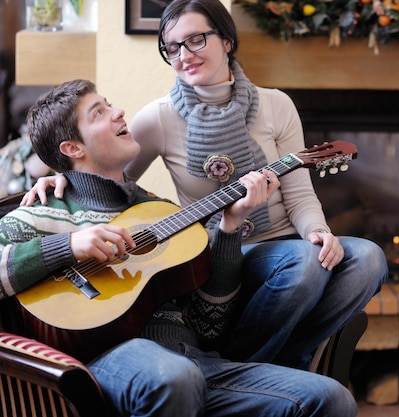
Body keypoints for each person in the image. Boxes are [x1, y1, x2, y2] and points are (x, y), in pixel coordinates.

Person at [23, 0, 388, 372]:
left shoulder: (277, 105)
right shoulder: (159, 117)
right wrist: (64, 176)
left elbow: (299, 195)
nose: (185, 55)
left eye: (196, 40)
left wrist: (318, 231)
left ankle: (270, 362)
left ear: (227, 40)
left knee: (368, 259)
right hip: (219, 253)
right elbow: (108, 177)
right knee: (306, 264)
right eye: (173, 48)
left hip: (288, 242)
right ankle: (252, 368)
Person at [4, 79, 358, 417]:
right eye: (98, 112)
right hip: (114, 362)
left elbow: (208, 326)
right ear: (72, 148)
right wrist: (66, 246)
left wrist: (230, 229)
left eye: (109, 104)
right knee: (174, 377)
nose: (119, 112)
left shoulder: (162, 213)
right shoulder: (42, 212)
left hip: (194, 360)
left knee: (331, 399)